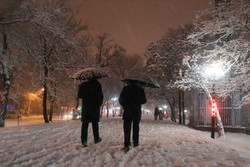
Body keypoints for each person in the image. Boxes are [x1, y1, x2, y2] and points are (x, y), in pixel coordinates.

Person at [119, 80, 147, 153]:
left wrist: (125, 105)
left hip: (127, 111)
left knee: (127, 128)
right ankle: (135, 142)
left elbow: (120, 99)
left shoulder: (125, 89)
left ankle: (127, 144)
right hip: (136, 111)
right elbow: (144, 101)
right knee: (136, 127)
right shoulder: (140, 89)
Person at [78, 79, 103, 147]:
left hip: (86, 108)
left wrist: (80, 88)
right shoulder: (97, 85)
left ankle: (84, 141)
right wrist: (98, 105)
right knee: (95, 124)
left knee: (85, 125)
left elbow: (79, 95)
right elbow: (101, 97)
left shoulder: (83, 85)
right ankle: (96, 138)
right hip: (94, 107)